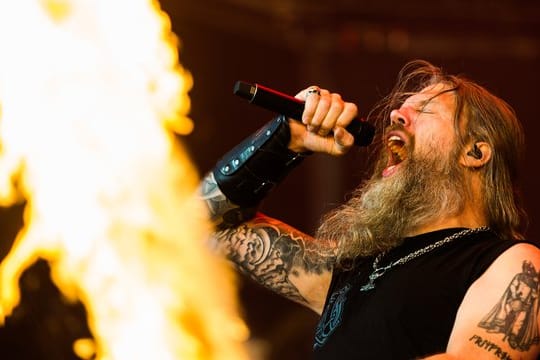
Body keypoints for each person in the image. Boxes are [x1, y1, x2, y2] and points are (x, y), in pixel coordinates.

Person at [199, 60, 540, 359]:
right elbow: (205, 225)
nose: (395, 114)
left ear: (475, 153)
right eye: (401, 108)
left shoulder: (512, 263)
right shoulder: (355, 272)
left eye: (424, 111)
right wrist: (284, 140)